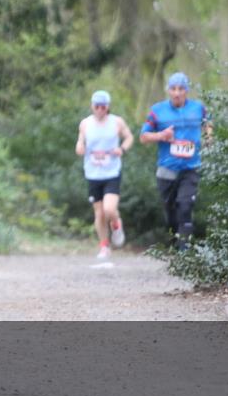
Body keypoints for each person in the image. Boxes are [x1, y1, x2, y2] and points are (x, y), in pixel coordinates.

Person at [139, 72, 212, 250]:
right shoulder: (158, 110)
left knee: (185, 206)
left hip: (191, 167)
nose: (177, 93)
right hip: (167, 169)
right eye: (173, 89)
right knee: (171, 211)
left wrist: (209, 137)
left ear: (187, 91)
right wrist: (161, 135)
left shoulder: (198, 108)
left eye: (181, 89)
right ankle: (174, 241)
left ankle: (184, 250)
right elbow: (143, 137)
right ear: (168, 91)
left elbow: (208, 122)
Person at [75, 90, 133, 259]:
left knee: (109, 209)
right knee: (99, 213)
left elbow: (129, 138)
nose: (100, 109)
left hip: (111, 172)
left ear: (108, 107)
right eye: (97, 106)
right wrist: (80, 148)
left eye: (103, 107)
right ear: (92, 106)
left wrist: (121, 149)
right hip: (93, 173)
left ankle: (116, 224)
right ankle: (104, 246)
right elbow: (80, 143)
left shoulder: (117, 122)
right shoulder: (85, 124)